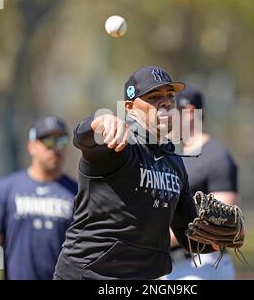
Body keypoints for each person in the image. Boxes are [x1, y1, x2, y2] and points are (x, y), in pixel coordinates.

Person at [53, 66, 216, 280]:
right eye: (154, 97)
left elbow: (191, 239)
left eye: (170, 96)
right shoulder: (118, 145)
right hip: (89, 274)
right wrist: (101, 122)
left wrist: (220, 238)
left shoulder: (174, 163)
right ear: (130, 107)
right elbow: (83, 137)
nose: (165, 102)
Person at [0, 115, 78, 280]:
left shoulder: (77, 193)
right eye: (47, 140)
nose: (54, 147)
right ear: (31, 147)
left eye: (61, 140)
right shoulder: (5, 189)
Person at [164, 85, 239, 280]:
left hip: (204, 265)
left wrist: (156, 239)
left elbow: (220, 221)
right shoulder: (171, 154)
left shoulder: (216, 156)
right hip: (171, 265)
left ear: (189, 112)